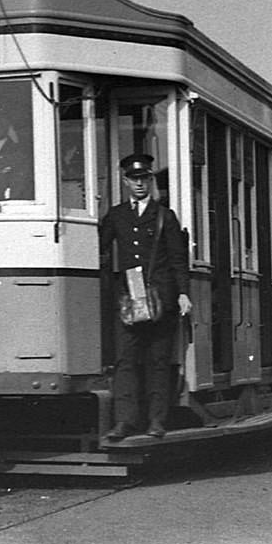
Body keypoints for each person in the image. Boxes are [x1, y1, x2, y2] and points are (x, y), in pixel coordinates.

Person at [99, 153, 192, 440]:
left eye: (145, 179)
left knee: (157, 360)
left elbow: (178, 259)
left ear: (151, 181)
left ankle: (156, 421)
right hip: (129, 299)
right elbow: (100, 250)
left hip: (160, 298)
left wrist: (183, 294)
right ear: (125, 181)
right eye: (134, 179)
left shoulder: (165, 216)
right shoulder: (116, 216)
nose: (140, 184)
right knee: (125, 360)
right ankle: (125, 421)